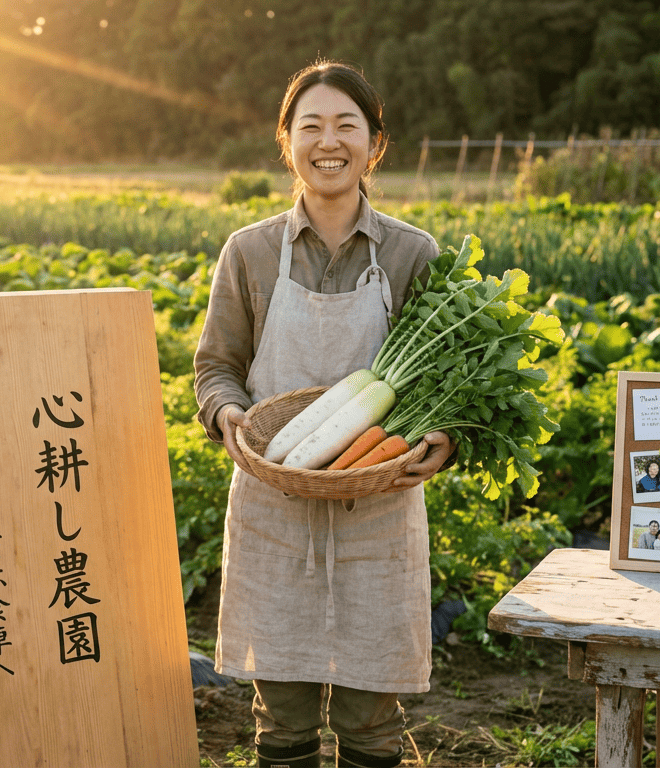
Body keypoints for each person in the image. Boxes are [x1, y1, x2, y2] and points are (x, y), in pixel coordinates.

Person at [194, 60, 454, 768]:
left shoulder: (412, 253)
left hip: (378, 508)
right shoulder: (247, 252)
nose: (328, 140)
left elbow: (444, 387)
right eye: (310, 125)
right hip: (273, 502)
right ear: (287, 141)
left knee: (373, 721)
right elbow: (215, 366)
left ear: (375, 143)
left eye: (348, 125)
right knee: (280, 724)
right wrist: (231, 421)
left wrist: (439, 438)